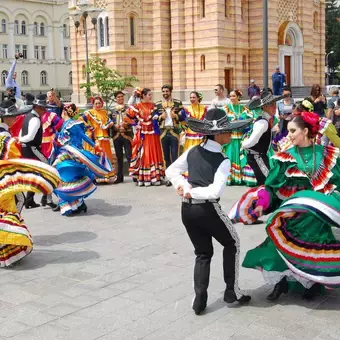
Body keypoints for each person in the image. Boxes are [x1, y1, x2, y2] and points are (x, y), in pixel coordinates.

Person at [239, 112, 340, 301]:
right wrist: (262, 203)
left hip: (315, 214)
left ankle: (312, 283)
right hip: (291, 211)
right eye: (288, 131)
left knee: (315, 248)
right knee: (277, 245)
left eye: (293, 131)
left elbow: (337, 183)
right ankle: (281, 282)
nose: (289, 135)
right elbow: (271, 186)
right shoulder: (284, 157)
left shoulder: (327, 154)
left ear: (306, 131)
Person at [166, 108, 252, 315]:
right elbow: (215, 191)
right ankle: (232, 291)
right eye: (228, 132)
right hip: (207, 209)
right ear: (218, 134)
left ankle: (199, 299)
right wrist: (190, 190)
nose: (231, 135)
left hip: (187, 211)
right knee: (232, 243)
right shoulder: (222, 160)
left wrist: (185, 188)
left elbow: (171, 171)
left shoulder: (193, 150)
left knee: (202, 253)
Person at [0, 99, 60, 267]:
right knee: (14, 205)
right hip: (6, 181)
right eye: (12, 116)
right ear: (5, 118)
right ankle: (7, 244)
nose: (15, 119)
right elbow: (13, 161)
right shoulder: (7, 140)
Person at [52, 104, 113, 216]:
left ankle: (70, 204)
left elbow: (83, 136)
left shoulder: (73, 124)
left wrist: (95, 146)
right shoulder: (66, 124)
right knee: (71, 178)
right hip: (72, 153)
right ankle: (78, 204)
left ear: (64, 112)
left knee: (62, 176)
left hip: (71, 153)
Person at [19, 94, 57, 209]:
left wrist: (20, 140)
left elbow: (21, 132)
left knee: (34, 174)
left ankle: (30, 200)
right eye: (43, 108)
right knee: (49, 170)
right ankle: (47, 198)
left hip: (26, 148)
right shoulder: (35, 119)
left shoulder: (27, 116)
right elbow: (30, 136)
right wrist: (20, 140)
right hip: (33, 148)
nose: (44, 110)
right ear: (37, 107)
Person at [241, 92, 284, 185]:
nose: (274, 107)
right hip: (257, 156)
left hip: (260, 156)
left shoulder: (267, 120)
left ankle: (264, 198)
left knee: (266, 182)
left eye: (274, 104)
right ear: (264, 107)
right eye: (271, 105)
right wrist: (244, 144)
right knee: (267, 182)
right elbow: (253, 140)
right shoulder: (263, 122)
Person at [127, 88, 165, 186]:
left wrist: (158, 118)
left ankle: (155, 176)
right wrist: (135, 124)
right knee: (144, 154)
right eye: (149, 94)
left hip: (153, 133)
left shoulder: (154, 105)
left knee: (154, 152)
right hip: (143, 134)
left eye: (151, 94)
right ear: (143, 95)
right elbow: (126, 116)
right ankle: (144, 177)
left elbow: (160, 116)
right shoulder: (137, 106)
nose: (151, 96)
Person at [155, 84, 186, 186]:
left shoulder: (178, 103)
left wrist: (175, 116)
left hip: (174, 132)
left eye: (167, 91)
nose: (165, 93)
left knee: (175, 155)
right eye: (163, 91)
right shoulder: (158, 104)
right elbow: (153, 119)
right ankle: (168, 177)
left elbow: (183, 117)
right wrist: (161, 117)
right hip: (163, 132)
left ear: (170, 92)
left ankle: (175, 177)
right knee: (165, 156)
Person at [222, 89, 254, 186]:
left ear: (238, 97)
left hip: (241, 137)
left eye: (233, 96)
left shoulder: (244, 109)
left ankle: (240, 178)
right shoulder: (225, 108)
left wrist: (241, 120)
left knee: (241, 158)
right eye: (230, 96)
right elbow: (222, 122)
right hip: (230, 138)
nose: (231, 98)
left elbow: (250, 120)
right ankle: (230, 178)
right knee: (230, 157)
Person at [83, 96, 116, 183]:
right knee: (97, 155)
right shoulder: (90, 112)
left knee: (106, 155)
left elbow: (110, 122)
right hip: (96, 137)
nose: (98, 105)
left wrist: (109, 125)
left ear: (102, 104)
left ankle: (106, 176)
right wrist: (88, 126)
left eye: (99, 103)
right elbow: (81, 119)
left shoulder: (104, 112)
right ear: (93, 104)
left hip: (104, 137)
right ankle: (96, 176)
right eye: (96, 103)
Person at [110, 91, 133, 184]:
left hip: (126, 135)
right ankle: (120, 176)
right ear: (115, 98)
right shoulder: (112, 110)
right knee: (119, 156)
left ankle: (134, 175)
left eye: (122, 97)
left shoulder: (128, 109)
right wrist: (115, 127)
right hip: (116, 136)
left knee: (129, 156)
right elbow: (109, 122)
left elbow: (133, 120)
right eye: (118, 97)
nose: (120, 98)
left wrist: (127, 125)